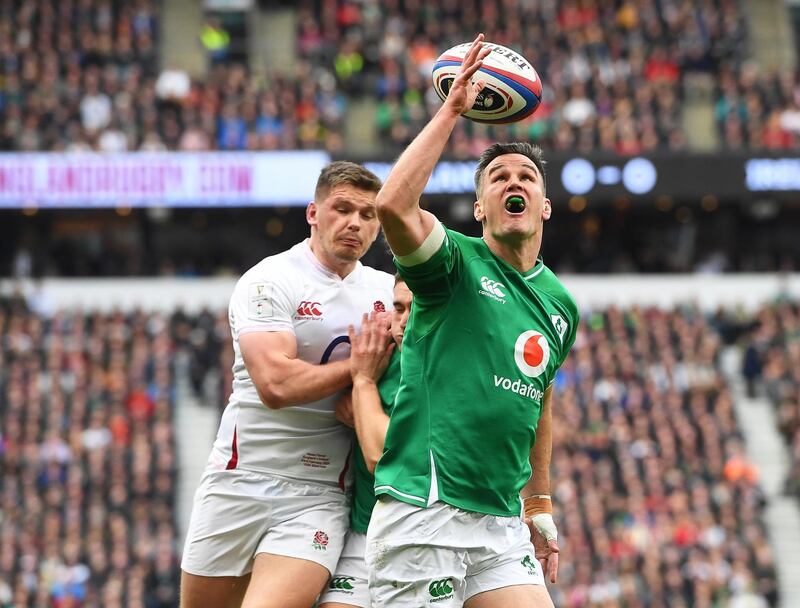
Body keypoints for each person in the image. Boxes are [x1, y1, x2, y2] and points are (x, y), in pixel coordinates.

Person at [366, 34, 579, 608]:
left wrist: (539, 504)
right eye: (498, 178)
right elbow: (392, 206)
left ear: (545, 205)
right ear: (480, 206)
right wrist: (451, 111)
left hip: (501, 522)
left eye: (526, 178)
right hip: (425, 511)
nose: (515, 182)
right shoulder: (453, 263)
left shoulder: (560, 304)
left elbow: (541, 400)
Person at [180, 161, 395, 608]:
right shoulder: (270, 280)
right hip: (239, 479)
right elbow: (274, 384)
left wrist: (370, 402)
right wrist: (358, 371)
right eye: (342, 209)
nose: (355, 222)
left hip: (318, 493)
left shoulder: (389, 293)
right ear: (313, 213)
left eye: (368, 214)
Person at [318, 276, 412, 608]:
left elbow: (383, 455)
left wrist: (362, 389)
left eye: (417, 309)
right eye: (398, 308)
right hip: (364, 531)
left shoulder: (447, 369)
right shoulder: (380, 352)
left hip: (420, 539)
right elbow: (342, 406)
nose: (403, 321)